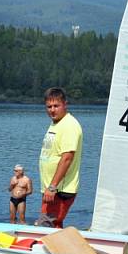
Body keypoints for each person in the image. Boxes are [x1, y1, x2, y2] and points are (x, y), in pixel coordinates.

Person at [39, 88, 83, 228]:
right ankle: (62, 250)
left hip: (60, 190)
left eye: (56, 106)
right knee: (56, 226)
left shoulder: (69, 125)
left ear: (65, 104)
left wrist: (52, 187)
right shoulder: (56, 123)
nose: (52, 110)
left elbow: (67, 158)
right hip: (52, 189)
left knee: (45, 226)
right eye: (49, 106)